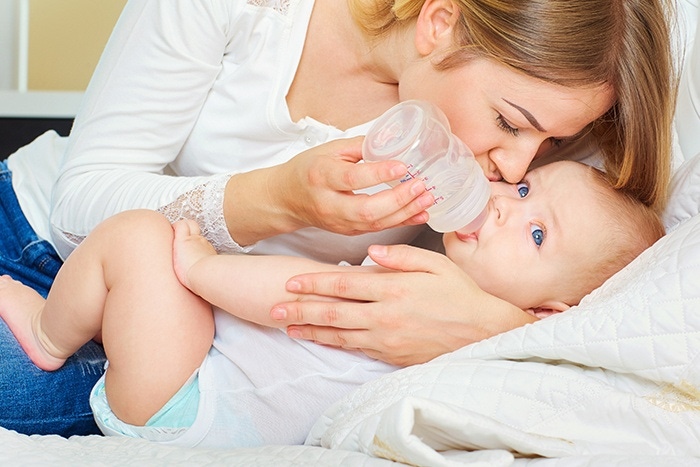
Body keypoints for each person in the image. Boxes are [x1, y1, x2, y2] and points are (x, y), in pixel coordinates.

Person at [0, 0, 677, 436]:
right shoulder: (253, 13)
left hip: (183, 343)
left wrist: (490, 325)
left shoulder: (542, 150)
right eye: (508, 123)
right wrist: (276, 199)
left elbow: (589, 275)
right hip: (39, 237)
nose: (513, 169)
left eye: (547, 148)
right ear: (440, 24)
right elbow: (78, 205)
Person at [0, 161, 665, 447]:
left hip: (185, 400)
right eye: (523, 191)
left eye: (538, 233)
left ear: (550, 312)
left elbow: (292, 298)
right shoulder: (462, 334)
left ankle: (45, 330)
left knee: (141, 238)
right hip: (194, 377)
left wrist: (204, 267)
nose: (501, 203)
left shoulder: (422, 295)